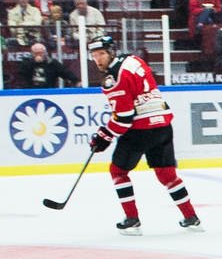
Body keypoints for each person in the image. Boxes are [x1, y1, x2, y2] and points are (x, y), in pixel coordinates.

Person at [84, 34, 200, 236]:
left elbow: (124, 118)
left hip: (141, 130)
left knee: (118, 171)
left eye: (101, 53)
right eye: (94, 55)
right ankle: (191, 217)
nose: (98, 59)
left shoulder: (113, 78)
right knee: (167, 175)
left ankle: (132, 220)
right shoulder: (134, 59)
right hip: (163, 124)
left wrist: (104, 136)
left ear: (111, 52)